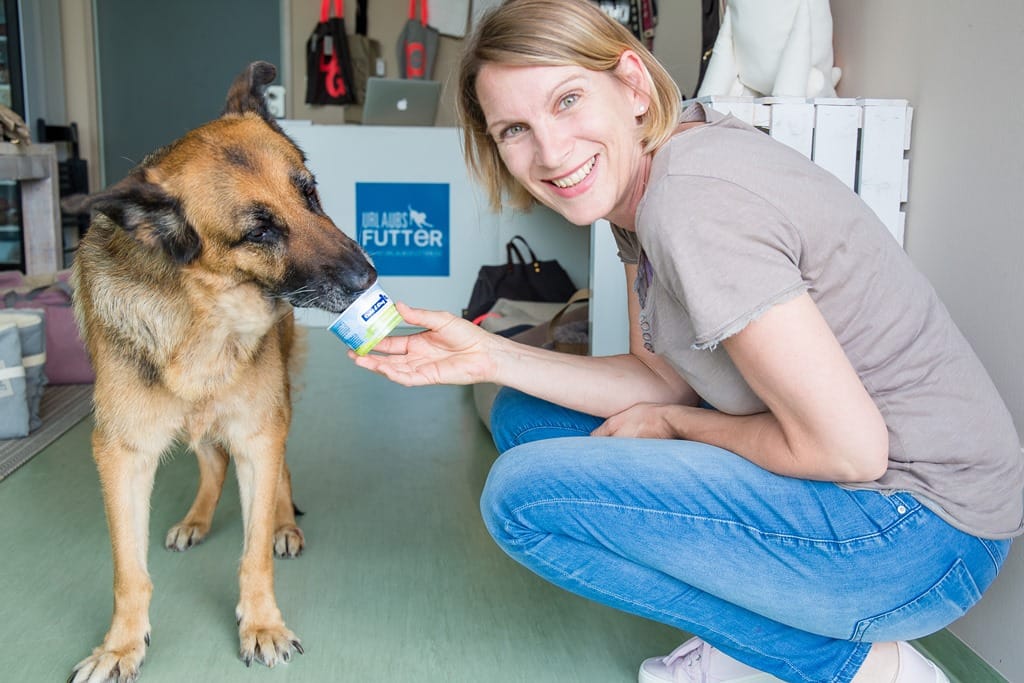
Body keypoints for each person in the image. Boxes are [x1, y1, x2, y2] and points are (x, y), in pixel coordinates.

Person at [351, 1, 1024, 681]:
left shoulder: (690, 204)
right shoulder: (641, 187)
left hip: (917, 534)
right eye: (515, 129)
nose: (551, 153)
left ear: (633, 85)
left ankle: (860, 667)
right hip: (872, 499)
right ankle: (761, 630)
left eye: (568, 100)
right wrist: (489, 355)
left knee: (523, 500)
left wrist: (676, 425)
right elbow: (659, 380)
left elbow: (848, 450)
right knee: (528, 418)